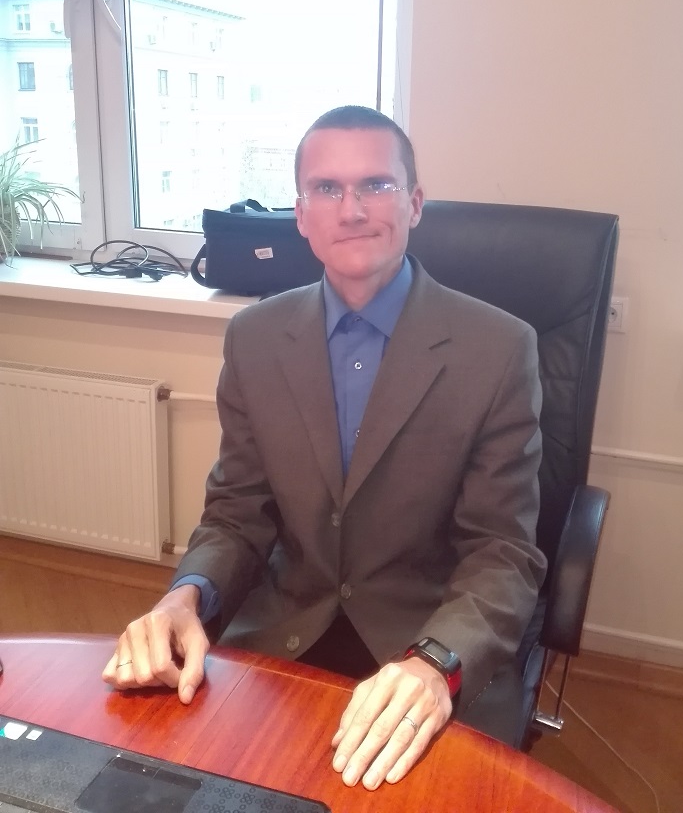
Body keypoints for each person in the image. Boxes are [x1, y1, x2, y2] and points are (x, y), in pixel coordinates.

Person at [103, 105, 546, 790]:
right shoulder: (255, 337)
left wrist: (435, 662)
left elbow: (502, 552)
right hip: (283, 632)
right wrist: (183, 598)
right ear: (301, 215)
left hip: (426, 640)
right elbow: (236, 514)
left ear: (414, 203)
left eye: (376, 185)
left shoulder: (499, 349)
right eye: (327, 189)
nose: (352, 209)